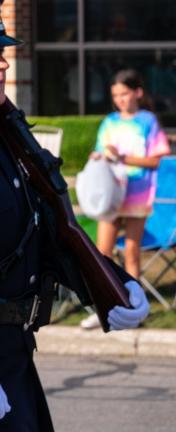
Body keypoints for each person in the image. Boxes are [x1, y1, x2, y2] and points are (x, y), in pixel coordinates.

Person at [0, 0, 150, 431]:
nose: (1, 63)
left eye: (0, 51)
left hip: (15, 354)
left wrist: (113, 282)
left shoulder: (3, 140)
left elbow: (48, 235)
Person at [80, 69, 171, 329]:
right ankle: (104, 306)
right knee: (102, 253)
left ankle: (133, 308)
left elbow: (155, 160)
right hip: (110, 192)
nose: (120, 99)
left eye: (124, 94)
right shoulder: (109, 121)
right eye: (115, 95)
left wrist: (123, 158)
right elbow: (100, 151)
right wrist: (100, 157)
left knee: (132, 252)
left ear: (138, 93)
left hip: (138, 194)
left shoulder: (147, 121)